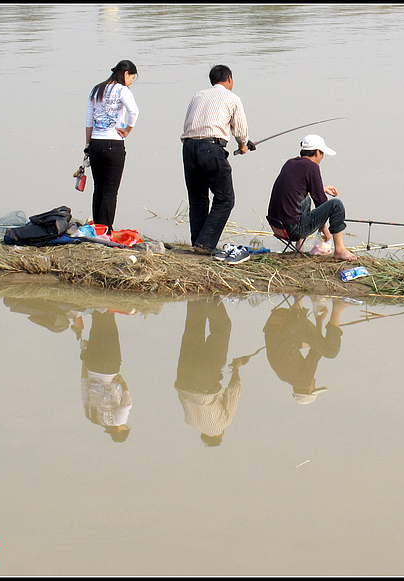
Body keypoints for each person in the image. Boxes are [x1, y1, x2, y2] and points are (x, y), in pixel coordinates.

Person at [180, 64, 251, 263]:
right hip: (211, 149)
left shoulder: (198, 95)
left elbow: (188, 123)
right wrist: (243, 145)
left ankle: (199, 243)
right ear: (229, 78)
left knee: (198, 198)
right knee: (225, 199)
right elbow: (241, 131)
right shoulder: (232, 98)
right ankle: (205, 244)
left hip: (189, 147)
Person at [267, 134, 359, 261]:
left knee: (306, 199)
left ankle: (300, 247)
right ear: (317, 152)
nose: (322, 157)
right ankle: (340, 250)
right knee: (336, 205)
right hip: (293, 230)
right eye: (322, 153)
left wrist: (321, 188)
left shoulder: (290, 163)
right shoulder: (312, 167)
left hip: (277, 226)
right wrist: (324, 229)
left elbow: (295, 189)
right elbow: (321, 202)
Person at [174, 298, 244, 447]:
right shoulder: (190, 420)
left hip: (205, 382)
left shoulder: (222, 425)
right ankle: (193, 293)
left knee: (222, 327)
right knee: (194, 328)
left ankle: (208, 297)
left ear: (219, 435)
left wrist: (236, 370)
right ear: (203, 434)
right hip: (183, 378)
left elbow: (233, 394)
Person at [85, 59, 139, 233]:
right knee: (110, 190)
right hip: (113, 144)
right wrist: (127, 130)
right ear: (125, 74)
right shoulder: (122, 90)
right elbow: (134, 111)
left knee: (98, 188)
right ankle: (106, 230)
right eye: (132, 77)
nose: (131, 81)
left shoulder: (96, 89)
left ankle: (97, 229)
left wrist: (88, 144)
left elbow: (89, 120)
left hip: (95, 143)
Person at [263, 295, 350, 404]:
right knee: (308, 343)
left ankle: (338, 307)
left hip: (290, 326)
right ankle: (298, 296)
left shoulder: (304, 381)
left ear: (308, 389)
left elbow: (315, 353)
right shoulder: (284, 376)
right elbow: (304, 345)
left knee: (330, 351)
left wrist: (319, 322)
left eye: (314, 387)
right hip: (276, 323)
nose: (315, 381)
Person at [80, 310, 131, 442]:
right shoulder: (91, 416)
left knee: (110, 332)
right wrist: (85, 360)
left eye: (125, 427)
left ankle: (108, 308)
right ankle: (98, 308)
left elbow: (127, 405)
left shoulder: (118, 421)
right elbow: (84, 386)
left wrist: (123, 384)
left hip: (110, 369)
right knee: (96, 329)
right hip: (92, 365)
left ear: (120, 430)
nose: (124, 425)